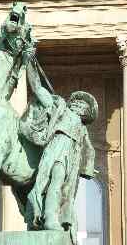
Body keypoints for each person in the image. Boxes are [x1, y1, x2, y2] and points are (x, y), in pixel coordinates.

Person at [20, 60, 98, 233]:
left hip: (73, 156)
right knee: (55, 179)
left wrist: (88, 168)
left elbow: (89, 149)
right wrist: (29, 63)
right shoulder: (61, 108)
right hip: (58, 146)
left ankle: (56, 217)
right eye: (76, 102)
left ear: (86, 114)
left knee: (65, 190)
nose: (77, 104)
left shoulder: (83, 129)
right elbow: (38, 89)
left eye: (82, 106)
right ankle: (49, 218)